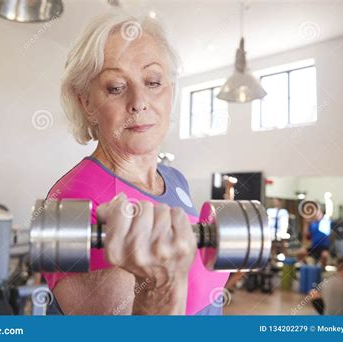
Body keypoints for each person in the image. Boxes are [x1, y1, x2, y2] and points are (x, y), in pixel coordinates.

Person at [41, 10, 229, 315]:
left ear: (172, 92)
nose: (139, 101)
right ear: (85, 102)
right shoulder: (69, 202)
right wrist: (160, 285)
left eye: (153, 82)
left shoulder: (175, 179)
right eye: (116, 87)